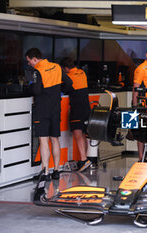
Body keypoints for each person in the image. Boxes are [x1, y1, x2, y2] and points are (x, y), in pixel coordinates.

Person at [25, 48, 73, 181]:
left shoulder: (37, 70)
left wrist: (29, 85)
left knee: (43, 139)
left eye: (29, 61)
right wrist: (60, 93)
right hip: (55, 108)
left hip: (42, 109)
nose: (29, 64)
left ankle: (45, 172)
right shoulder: (57, 67)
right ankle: (56, 171)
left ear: (35, 59)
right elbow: (69, 83)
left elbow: (36, 90)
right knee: (54, 139)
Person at [60, 57, 92, 171]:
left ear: (66, 69)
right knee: (83, 133)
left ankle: (83, 160)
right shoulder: (82, 72)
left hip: (77, 108)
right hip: (86, 108)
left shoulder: (69, 76)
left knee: (77, 134)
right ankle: (86, 159)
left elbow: (64, 89)